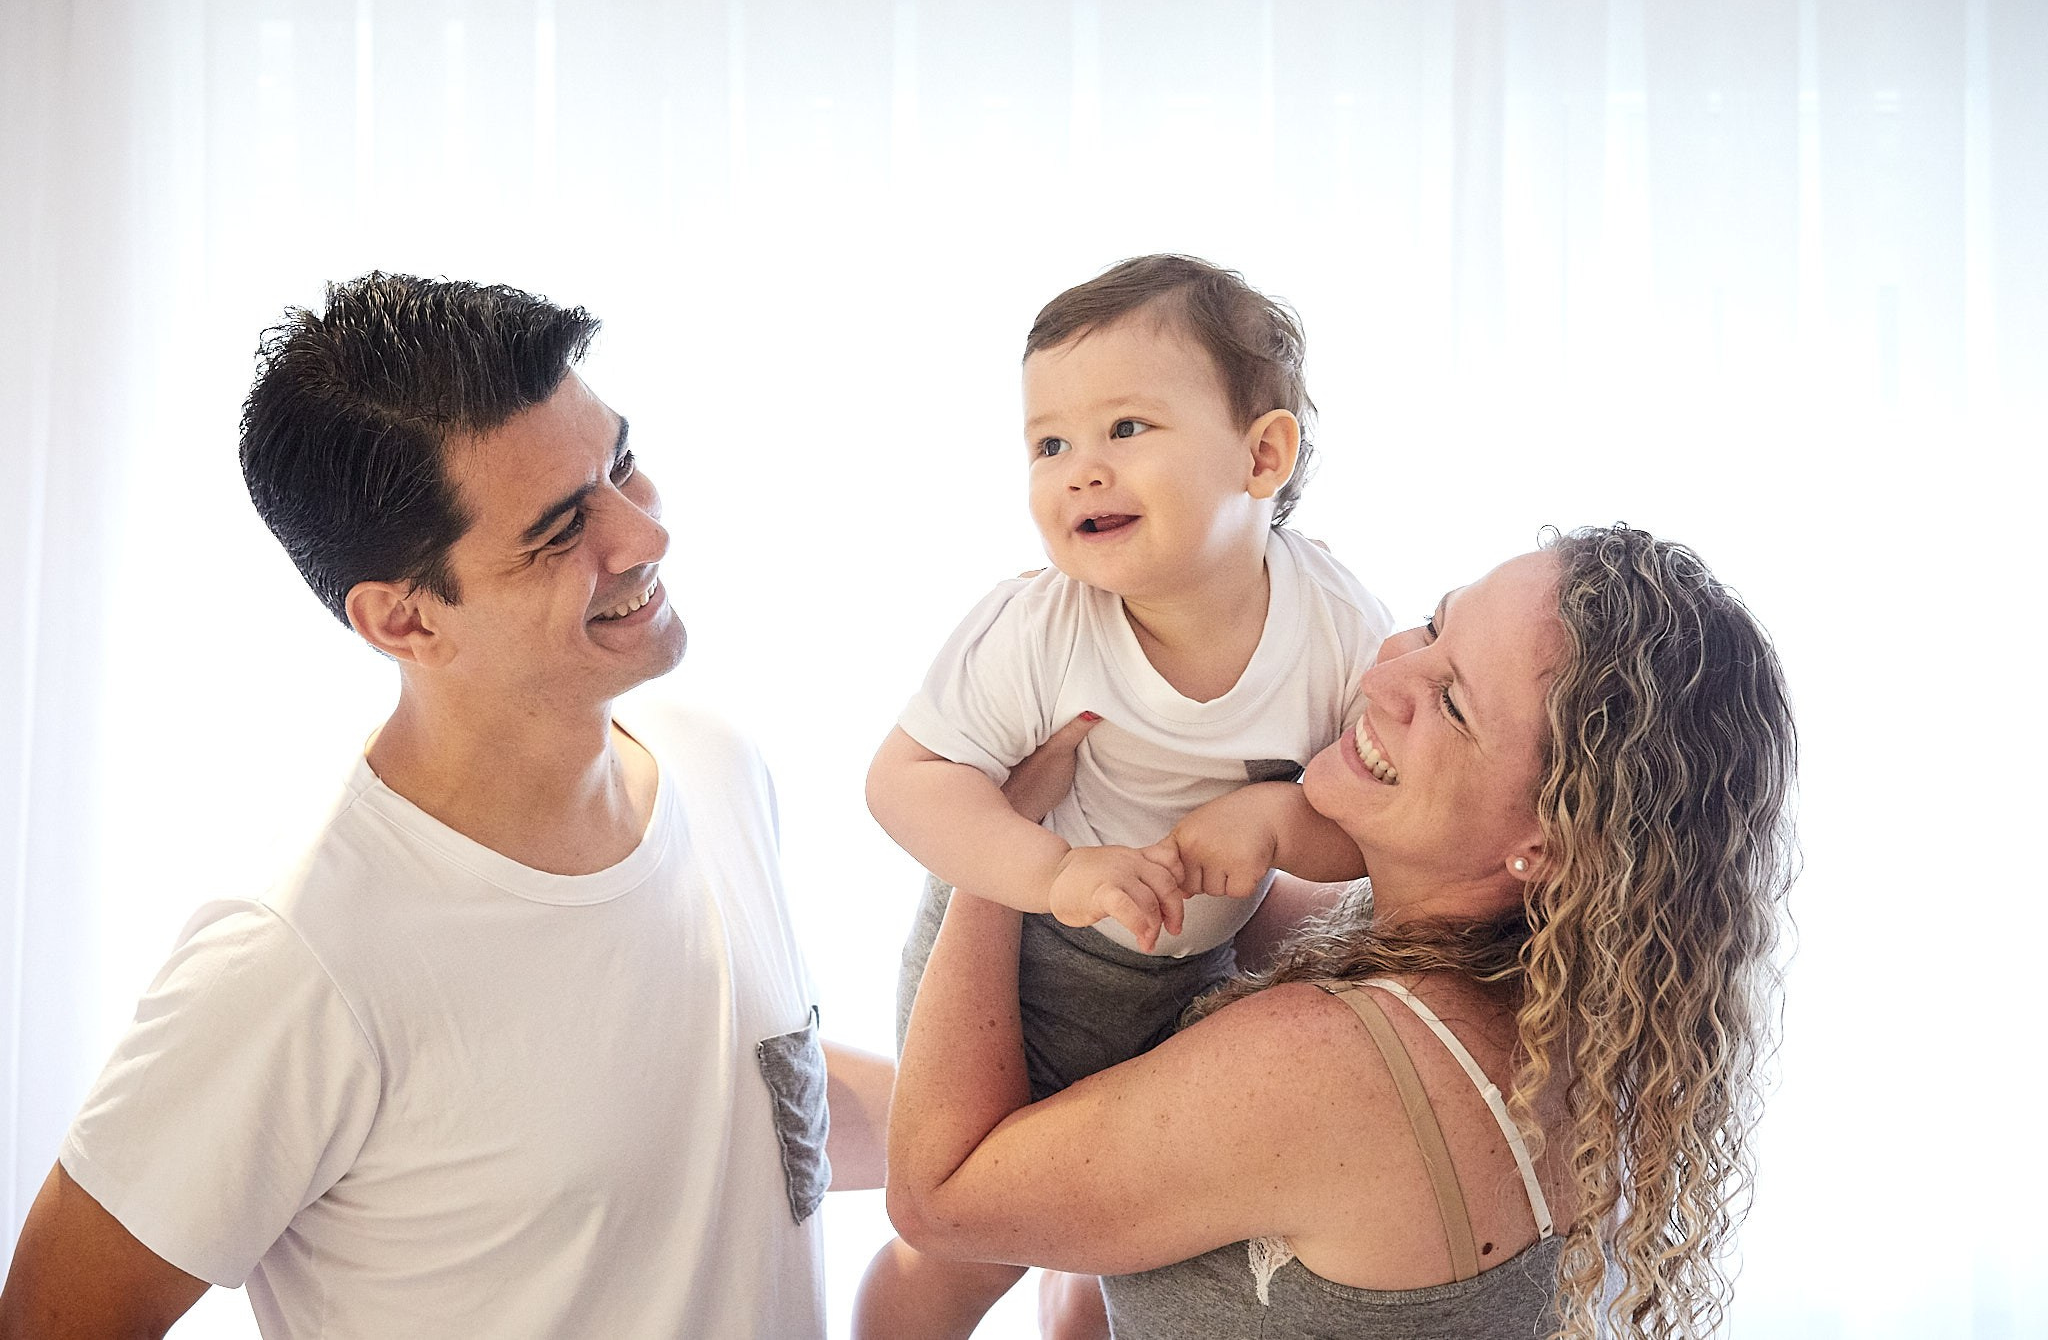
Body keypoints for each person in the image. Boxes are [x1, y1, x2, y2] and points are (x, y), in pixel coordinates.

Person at [0, 274, 891, 1340]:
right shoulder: (292, 960)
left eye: (619, 464)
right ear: (405, 622)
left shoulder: (714, 765)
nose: (643, 535)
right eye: (562, 529)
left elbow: (746, 1105)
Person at [887, 525, 1799, 1339]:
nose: (1384, 675)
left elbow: (939, 1198)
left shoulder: (1335, 1065)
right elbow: (1181, 952)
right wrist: (1273, 817)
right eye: (1436, 627)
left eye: (1450, 703)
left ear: (1548, 841)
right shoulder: (1557, 1016)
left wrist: (1008, 844)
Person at [856, 255, 1393, 1337]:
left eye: (1124, 430)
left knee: (1115, 1236)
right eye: (1048, 444)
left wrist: (1281, 821)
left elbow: (1373, 827)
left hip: (1185, 978)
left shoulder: (1333, 625)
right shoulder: (1038, 628)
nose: (1078, 471)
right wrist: (1049, 870)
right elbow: (903, 783)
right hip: (1024, 966)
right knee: (964, 1250)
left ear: (1261, 455)